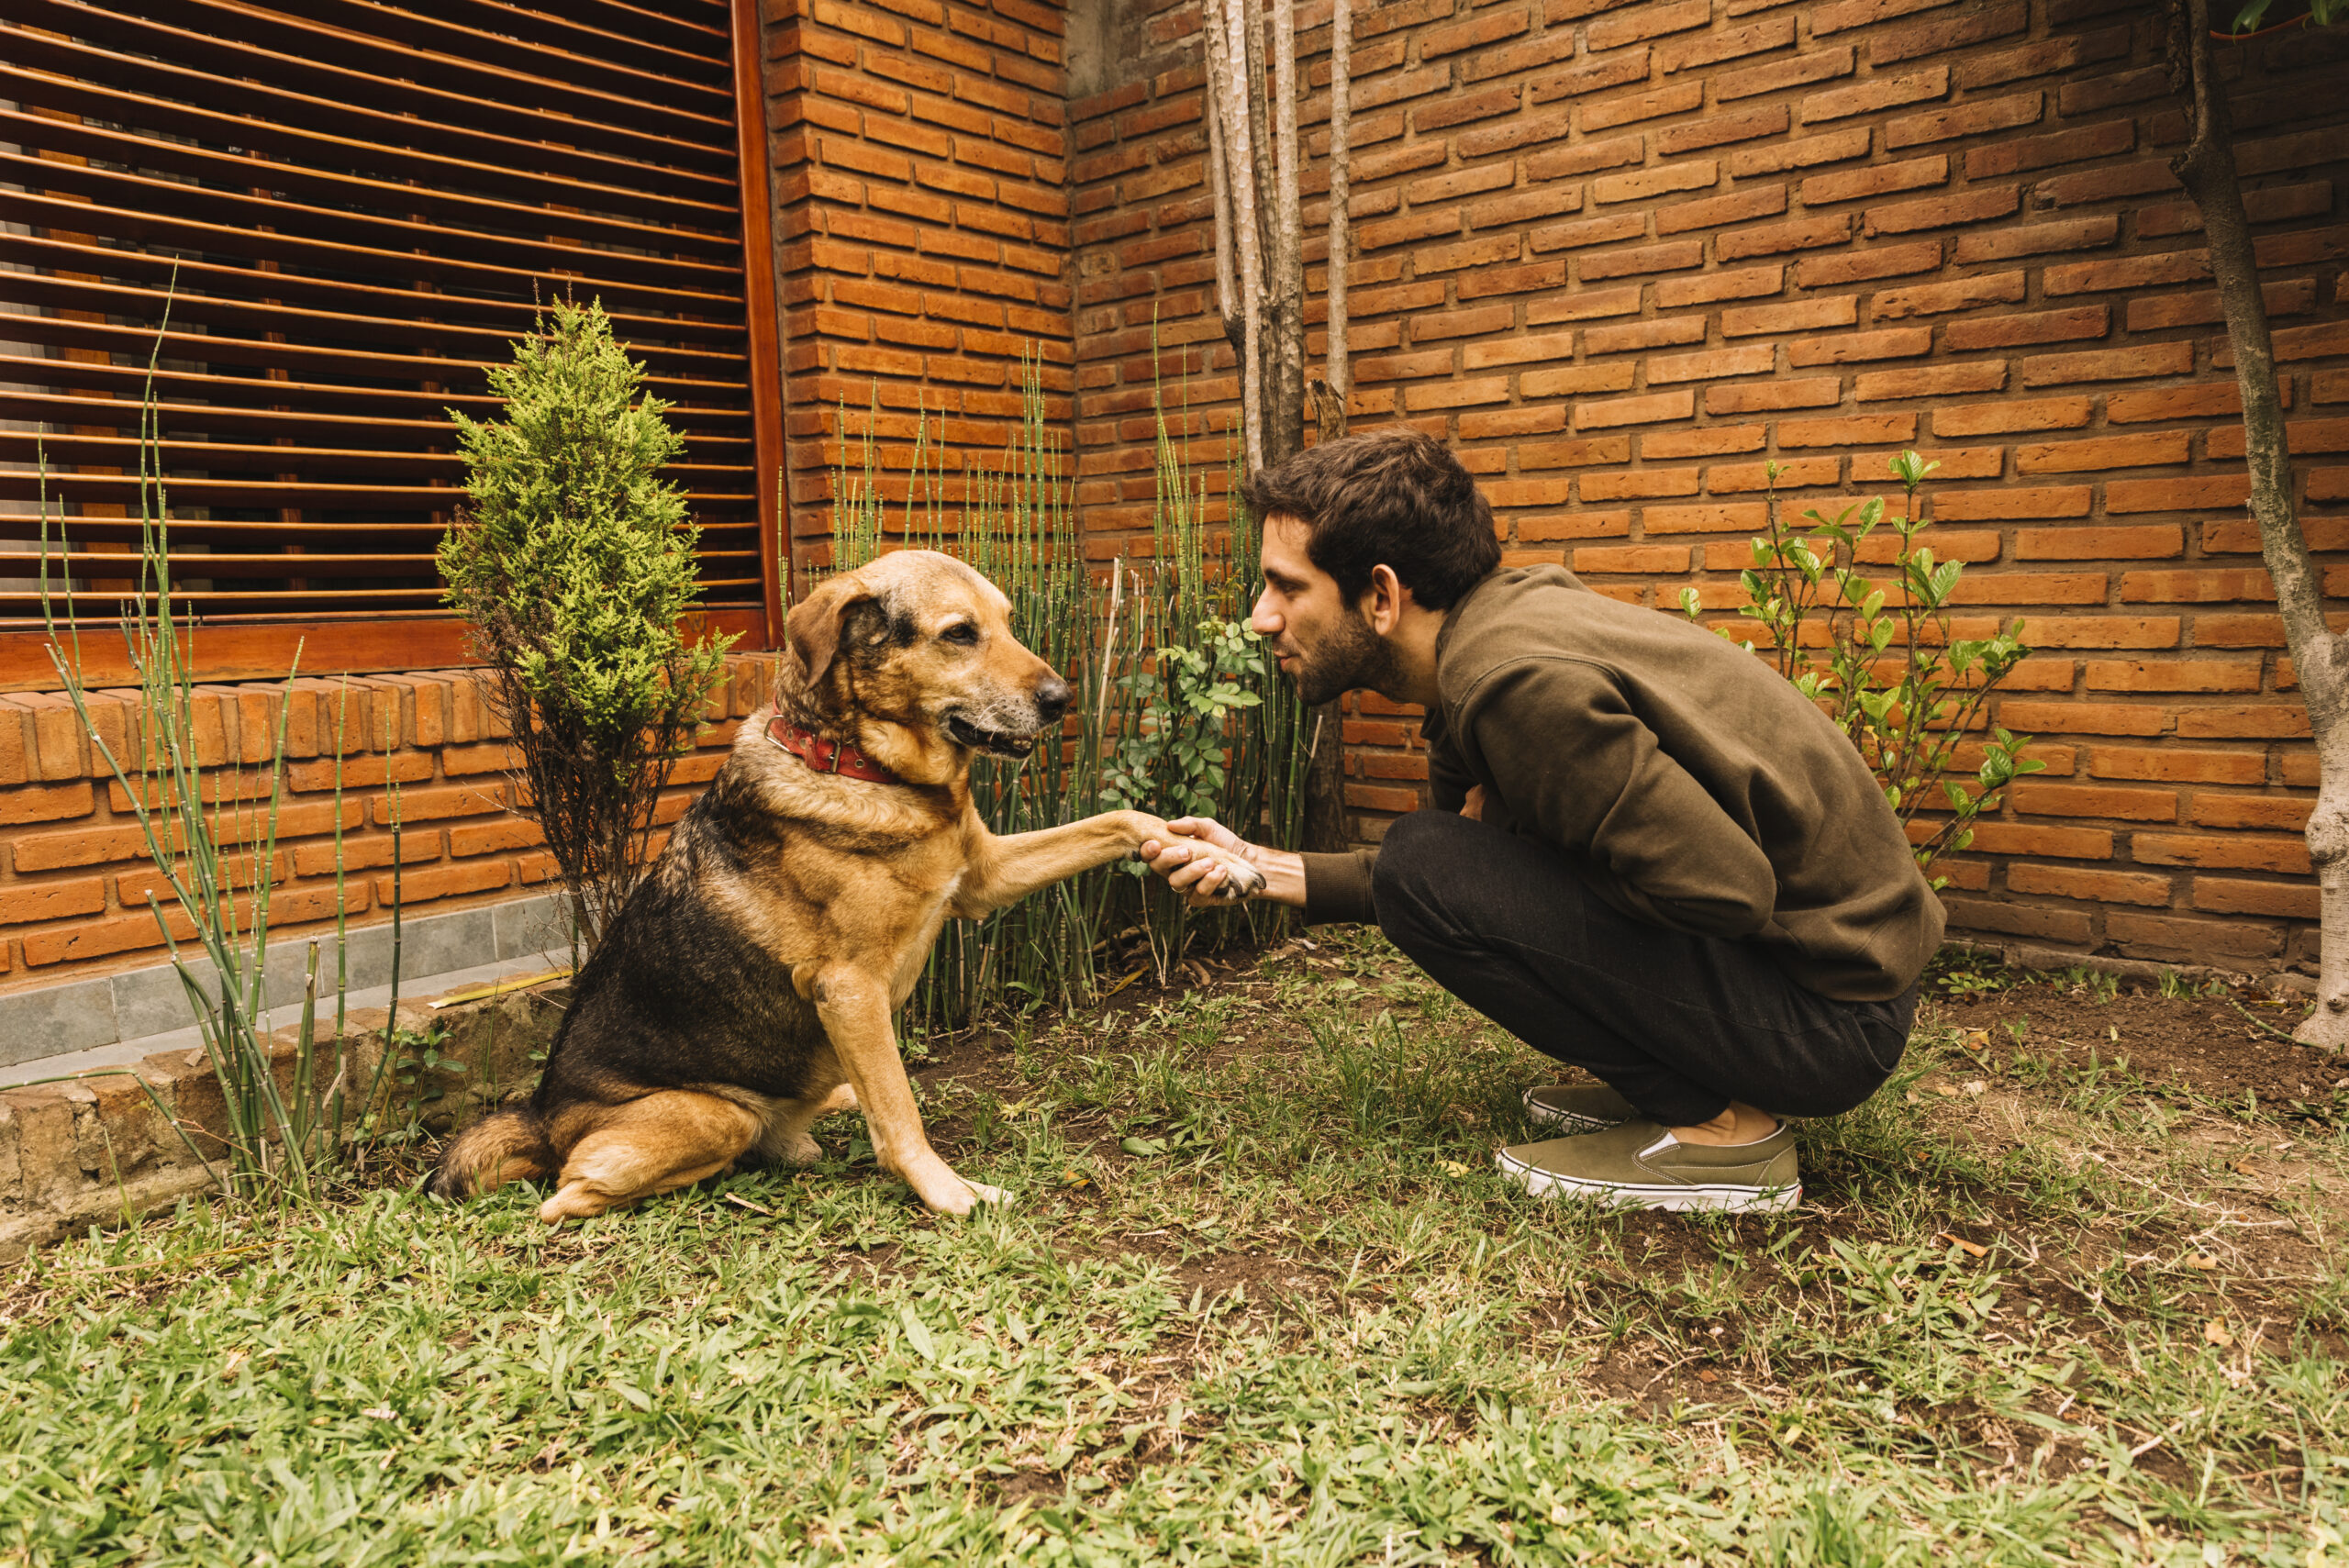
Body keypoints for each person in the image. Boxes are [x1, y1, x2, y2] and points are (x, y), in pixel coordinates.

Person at [1140, 428, 1939, 1214]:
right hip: (1827, 980)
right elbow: (1454, 868)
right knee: (1430, 856)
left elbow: (1728, 891)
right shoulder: (1489, 633)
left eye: (1286, 586)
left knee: (1425, 856)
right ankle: (1699, 1087)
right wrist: (1263, 865)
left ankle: (1723, 1128)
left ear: (1381, 595)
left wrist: (1516, 832)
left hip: (1830, 1018)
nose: (1260, 617)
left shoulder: (1513, 684)